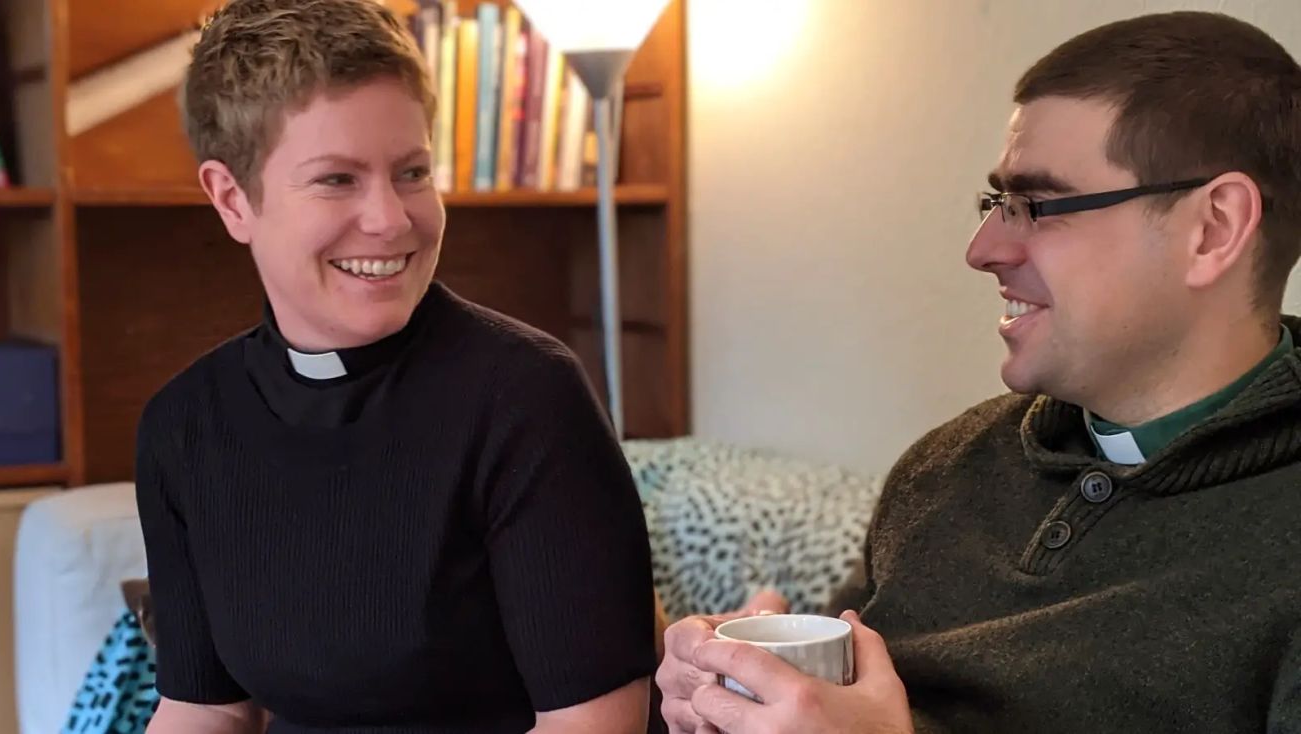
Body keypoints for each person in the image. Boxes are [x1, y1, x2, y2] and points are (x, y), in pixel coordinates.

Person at [657, 10, 1301, 734]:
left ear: (1213, 228)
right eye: (997, 203)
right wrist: (721, 691)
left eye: (1037, 204)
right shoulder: (944, 470)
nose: (983, 247)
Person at [134, 1, 656, 731]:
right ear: (232, 199)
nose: (391, 218)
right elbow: (206, 709)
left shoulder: (527, 398)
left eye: (411, 172)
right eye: (336, 180)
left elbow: (594, 725)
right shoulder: (182, 426)